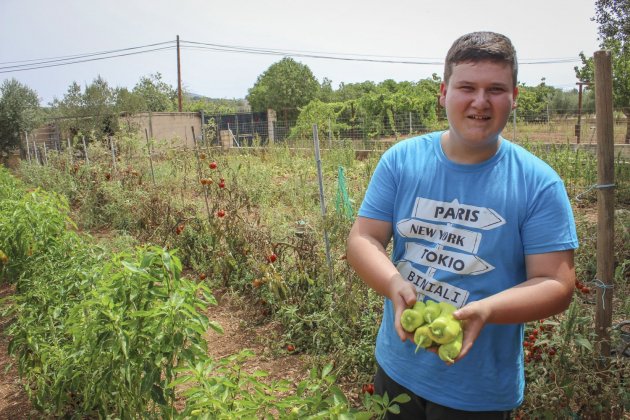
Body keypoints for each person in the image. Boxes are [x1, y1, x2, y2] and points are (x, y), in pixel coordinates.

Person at [346, 31, 578, 419]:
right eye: (467, 86)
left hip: (478, 389)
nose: (480, 102)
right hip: (398, 362)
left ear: (514, 97)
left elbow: (556, 284)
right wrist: (393, 283)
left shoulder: (538, 183)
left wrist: (485, 310)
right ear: (444, 92)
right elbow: (364, 238)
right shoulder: (401, 161)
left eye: (496, 89)